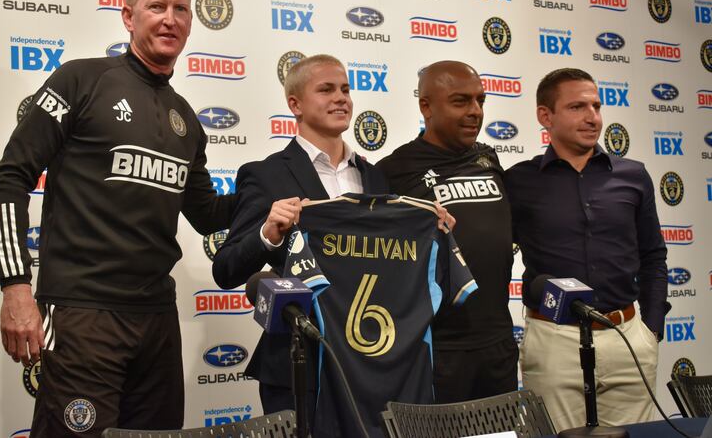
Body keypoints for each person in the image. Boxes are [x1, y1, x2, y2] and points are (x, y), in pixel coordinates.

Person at [0, 0, 234, 436]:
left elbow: (207, 216)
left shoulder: (187, 118)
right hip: (84, 314)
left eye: (181, 9)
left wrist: (269, 190)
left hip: (158, 320)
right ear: (128, 16)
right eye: (157, 6)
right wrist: (16, 288)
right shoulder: (80, 81)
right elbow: (10, 178)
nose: (171, 18)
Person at [212, 54, 391, 425]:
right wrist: (268, 233)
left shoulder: (376, 178)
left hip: (371, 358)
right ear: (294, 104)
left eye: (345, 89)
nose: (340, 98)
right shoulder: (265, 175)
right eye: (325, 89)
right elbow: (226, 269)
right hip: (300, 365)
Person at [505, 68, 668, 431]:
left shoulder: (634, 175)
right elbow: (497, 255)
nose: (592, 117)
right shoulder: (518, 181)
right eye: (577, 106)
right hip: (554, 343)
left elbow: (654, 255)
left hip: (628, 340)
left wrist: (651, 328)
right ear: (545, 116)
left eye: (596, 105)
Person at [376, 61, 518, 403]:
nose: (475, 112)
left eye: (480, 101)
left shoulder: (488, 157)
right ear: (426, 106)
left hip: (498, 341)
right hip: (438, 348)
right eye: (461, 101)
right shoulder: (393, 171)